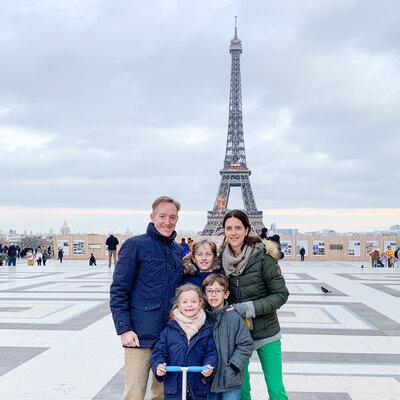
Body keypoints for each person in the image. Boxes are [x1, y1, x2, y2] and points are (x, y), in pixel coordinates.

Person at [110, 196, 184, 400]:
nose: (167, 222)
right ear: (152, 217)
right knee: (134, 394)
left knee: (162, 395)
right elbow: (119, 290)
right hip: (139, 336)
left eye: (172, 217)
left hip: (168, 337)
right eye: (162, 216)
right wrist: (124, 329)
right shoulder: (135, 245)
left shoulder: (177, 250)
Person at [219, 210, 289, 400]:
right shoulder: (220, 261)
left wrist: (247, 309)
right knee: (242, 389)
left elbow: (281, 295)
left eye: (238, 228)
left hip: (267, 332)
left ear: (247, 229)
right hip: (238, 334)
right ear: (224, 231)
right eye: (229, 228)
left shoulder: (263, 257)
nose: (233, 233)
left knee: (275, 389)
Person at [150, 284, 218, 400]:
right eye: (185, 302)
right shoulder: (169, 330)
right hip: (174, 388)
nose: (189, 305)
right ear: (179, 305)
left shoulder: (206, 329)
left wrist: (209, 366)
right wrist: (159, 366)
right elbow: (159, 353)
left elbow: (211, 353)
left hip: (197, 387)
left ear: (200, 304)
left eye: (194, 302)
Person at [203, 274, 254, 400]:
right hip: (209, 378)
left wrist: (233, 365)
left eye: (218, 291)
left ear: (226, 294)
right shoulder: (202, 319)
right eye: (209, 291)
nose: (213, 295)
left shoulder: (234, 318)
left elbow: (246, 344)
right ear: (204, 295)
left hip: (231, 379)